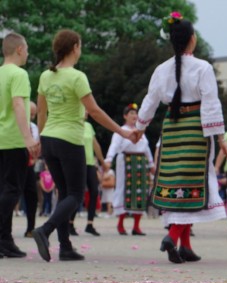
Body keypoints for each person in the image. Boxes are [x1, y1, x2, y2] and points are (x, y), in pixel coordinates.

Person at [32, 29, 138, 262]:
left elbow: (41, 111)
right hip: (69, 139)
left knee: (64, 194)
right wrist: (122, 131)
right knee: (76, 195)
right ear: (74, 48)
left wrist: (40, 139)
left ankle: (66, 247)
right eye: (80, 45)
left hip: (49, 138)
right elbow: (94, 111)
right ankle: (45, 230)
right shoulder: (77, 77)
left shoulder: (45, 76)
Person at [136, 12, 227, 263]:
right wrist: (220, 138)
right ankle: (173, 235)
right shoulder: (203, 67)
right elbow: (210, 103)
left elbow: (150, 101)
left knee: (176, 181)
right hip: (196, 129)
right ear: (191, 39)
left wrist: (139, 128)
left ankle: (185, 245)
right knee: (193, 182)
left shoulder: (161, 69)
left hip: (173, 128)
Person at [0, 32, 41, 258]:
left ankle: (5, 239)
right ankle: (2, 238)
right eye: (26, 49)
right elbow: (18, 104)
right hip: (13, 139)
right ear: (18, 50)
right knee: (12, 190)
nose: (27, 53)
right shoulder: (19, 74)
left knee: (4, 189)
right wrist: (28, 138)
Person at [105, 103, 154, 236]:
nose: (134, 115)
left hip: (140, 164)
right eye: (131, 113)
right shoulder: (121, 131)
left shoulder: (141, 132)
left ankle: (136, 226)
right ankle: (120, 224)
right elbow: (114, 146)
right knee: (123, 190)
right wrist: (108, 159)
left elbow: (147, 148)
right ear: (125, 116)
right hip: (125, 162)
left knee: (140, 192)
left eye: (135, 113)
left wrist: (151, 164)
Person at [69, 113, 106, 236]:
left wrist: (102, 162)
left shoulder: (89, 126)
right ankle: (70, 223)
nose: (85, 112)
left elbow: (96, 145)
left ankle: (90, 224)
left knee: (94, 192)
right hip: (77, 163)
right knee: (78, 194)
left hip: (90, 163)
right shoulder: (72, 125)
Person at [22, 101, 40, 238]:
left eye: (34, 114)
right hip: (15, 162)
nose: (32, 117)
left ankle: (30, 228)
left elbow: (38, 144)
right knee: (10, 194)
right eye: (30, 113)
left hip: (30, 165)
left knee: (32, 196)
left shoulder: (34, 127)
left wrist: (35, 157)